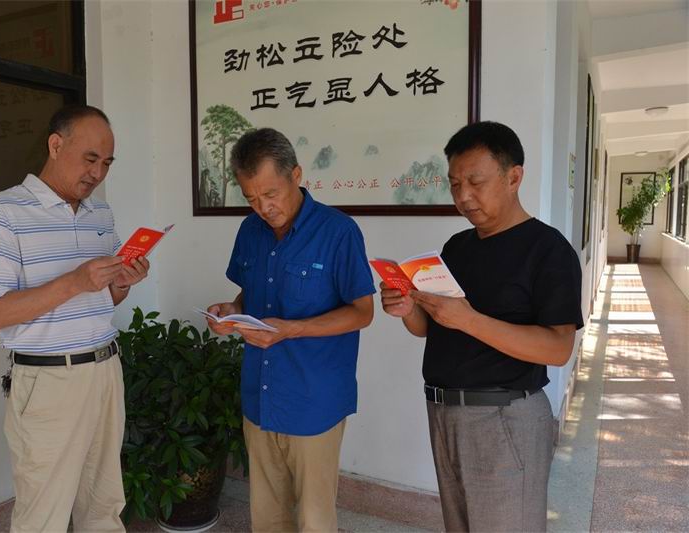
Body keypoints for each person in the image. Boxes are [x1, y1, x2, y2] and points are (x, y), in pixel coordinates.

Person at [380, 121, 583, 532]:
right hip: (443, 411)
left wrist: (470, 320)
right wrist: (408, 309)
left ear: (513, 177)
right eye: (455, 184)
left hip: (504, 417)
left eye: (475, 182)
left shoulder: (548, 250)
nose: (463, 196)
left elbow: (558, 348)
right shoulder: (457, 247)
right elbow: (430, 329)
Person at [0, 105, 149, 532]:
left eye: (107, 163)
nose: (98, 173)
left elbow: (104, 299)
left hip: (105, 370)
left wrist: (123, 283)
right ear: (55, 144)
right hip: (48, 380)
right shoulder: (2, 212)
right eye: (90, 159)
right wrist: (74, 282)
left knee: (104, 505)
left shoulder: (101, 214)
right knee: (43, 514)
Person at [206, 128, 375, 532]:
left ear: (296, 175)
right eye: (251, 198)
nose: (263, 207)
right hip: (260, 396)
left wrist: (293, 329)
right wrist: (233, 310)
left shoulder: (338, 232)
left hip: (313, 400)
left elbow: (362, 312)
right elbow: (251, 291)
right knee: (267, 517)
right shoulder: (250, 231)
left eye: (271, 194)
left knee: (315, 520)